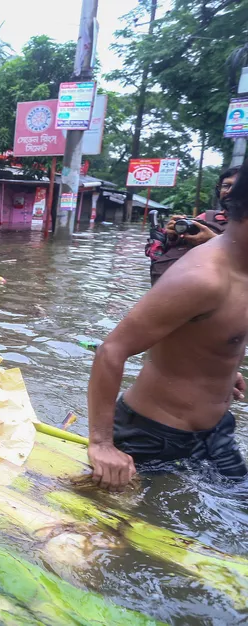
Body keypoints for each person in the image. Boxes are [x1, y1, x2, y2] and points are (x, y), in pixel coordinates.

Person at [86, 159, 248, 491]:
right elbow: (112, 350)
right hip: (152, 437)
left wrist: (221, 367)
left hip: (216, 431)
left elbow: (212, 332)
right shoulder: (203, 278)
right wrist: (101, 444)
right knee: (123, 538)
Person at [147, 166, 239, 284]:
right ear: (219, 190)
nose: (230, 191)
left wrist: (213, 241)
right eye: (226, 186)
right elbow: (175, 248)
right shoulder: (206, 217)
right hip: (169, 287)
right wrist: (172, 236)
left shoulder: (242, 226)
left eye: (238, 187)